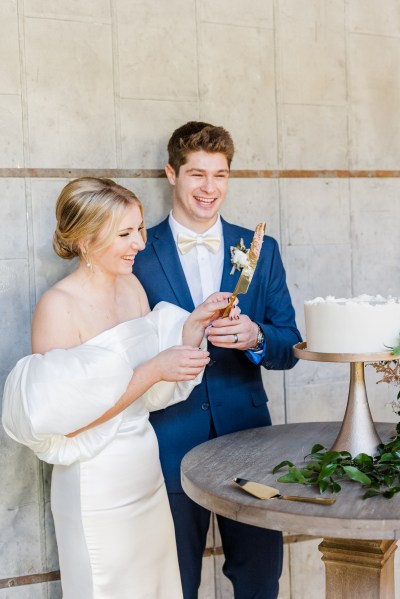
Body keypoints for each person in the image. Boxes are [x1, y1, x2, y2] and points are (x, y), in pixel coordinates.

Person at [2, 177, 237, 599]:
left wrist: (189, 330)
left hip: (143, 467)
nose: (140, 244)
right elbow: (66, 425)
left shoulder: (132, 288)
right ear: (86, 239)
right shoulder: (57, 306)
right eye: (125, 234)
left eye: (140, 228)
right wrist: (153, 369)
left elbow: (148, 389)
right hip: (93, 479)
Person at [133, 122, 302, 599]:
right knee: (174, 582)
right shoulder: (137, 252)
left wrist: (256, 337)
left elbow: (290, 345)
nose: (210, 189)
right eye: (197, 175)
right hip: (167, 443)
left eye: (221, 176)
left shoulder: (259, 249)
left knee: (259, 580)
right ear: (171, 173)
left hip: (249, 445)